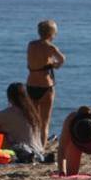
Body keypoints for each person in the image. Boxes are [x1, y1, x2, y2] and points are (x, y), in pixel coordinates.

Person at [0, 83, 45, 158]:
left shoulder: (10, 113)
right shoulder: (32, 113)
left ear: (10, 97)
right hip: (39, 151)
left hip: (24, 151)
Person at [27, 19, 66, 148]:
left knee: (33, 120)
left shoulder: (31, 45)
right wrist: (54, 65)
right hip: (45, 85)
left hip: (31, 84)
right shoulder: (50, 47)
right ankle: (41, 149)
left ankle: (33, 145)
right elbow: (62, 59)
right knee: (45, 122)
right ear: (52, 34)